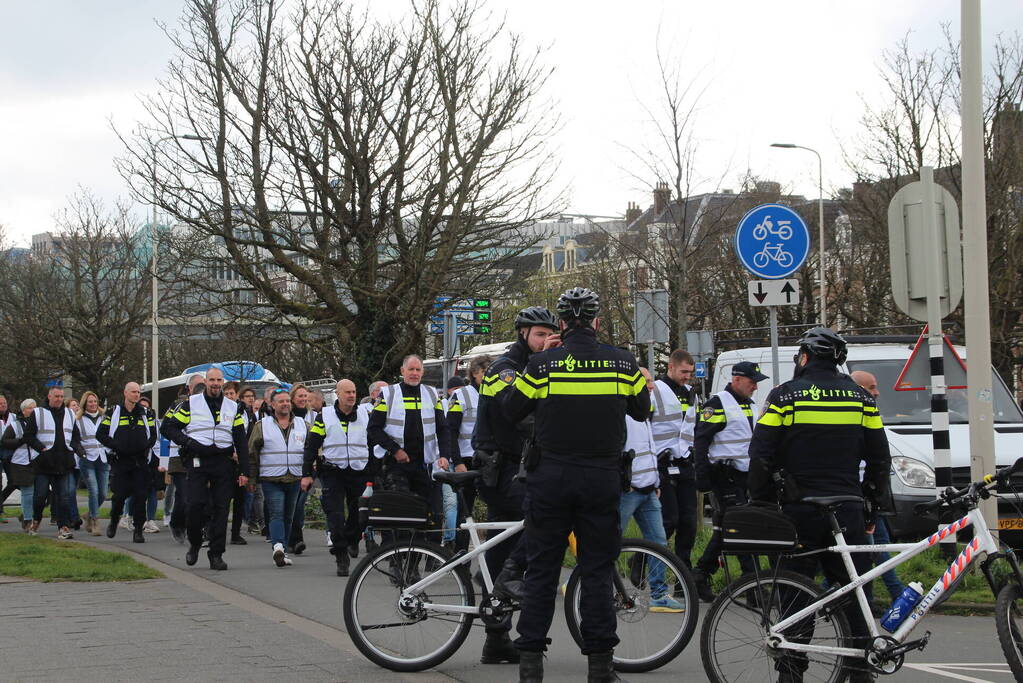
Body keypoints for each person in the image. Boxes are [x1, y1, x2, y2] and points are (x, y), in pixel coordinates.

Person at [504, 286, 650, 682]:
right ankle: (600, 667)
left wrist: (538, 360)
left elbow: (511, 408)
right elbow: (642, 409)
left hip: (550, 478)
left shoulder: (544, 365)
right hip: (601, 479)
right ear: (598, 322)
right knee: (597, 572)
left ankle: (531, 666)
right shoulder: (623, 364)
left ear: (563, 324)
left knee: (541, 571)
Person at [749, 327, 892, 683]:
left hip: (798, 509)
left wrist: (762, 502)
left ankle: (792, 673)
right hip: (847, 507)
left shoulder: (784, 397)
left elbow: (761, 454)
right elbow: (879, 457)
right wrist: (874, 505)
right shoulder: (861, 398)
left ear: (805, 357)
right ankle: (861, 671)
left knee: (796, 593)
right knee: (854, 592)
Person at [471, 307, 559, 666]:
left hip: (512, 470)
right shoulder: (504, 369)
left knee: (500, 554)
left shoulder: (533, 367)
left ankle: (496, 638)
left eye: (549, 334)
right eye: (539, 334)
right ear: (523, 334)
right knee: (546, 514)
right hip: (501, 471)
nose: (544, 340)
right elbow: (521, 416)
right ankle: (506, 584)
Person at [691, 361, 767, 602]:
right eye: (751, 381)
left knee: (728, 530)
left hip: (744, 477)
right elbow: (701, 441)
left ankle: (700, 575)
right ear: (736, 380)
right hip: (725, 477)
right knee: (741, 528)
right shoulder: (718, 403)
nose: (755, 386)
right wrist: (703, 479)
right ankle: (752, 586)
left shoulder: (749, 404)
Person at [161, 367, 249, 571]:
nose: (216, 383)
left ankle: (216, 554)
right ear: (206, 382)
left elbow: (240, 440)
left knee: (221, 508)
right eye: (212, 380)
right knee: (195, 505)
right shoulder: (190, 404)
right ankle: (194, 543)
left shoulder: (233, 407)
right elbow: (168, 428)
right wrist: (188, 443)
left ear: (223, 382)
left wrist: (245, 471)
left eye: (219, 380)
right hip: (198, 460)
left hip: (223, 461)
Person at [367, 355, 452, 567]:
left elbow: (443, 428)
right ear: (402, 371)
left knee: (423, 517)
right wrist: (395, 450)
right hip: (397, 466)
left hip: (424, 465)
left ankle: (412, 566)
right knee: (401, 516)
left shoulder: (432, 394)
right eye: (411, 369)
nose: (414, 373)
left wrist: (444, 454)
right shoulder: (389, 394)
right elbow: (373, 429)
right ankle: (397, 562)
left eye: (418, 370)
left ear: (422, 372)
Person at [620, 368, 686, 612]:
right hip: (627, 491)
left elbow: (649, 451)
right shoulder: (623, 414)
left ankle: (658, 594)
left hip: (648, 490)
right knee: (607, 541)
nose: (651, 386)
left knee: (658, 542)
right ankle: (588, 584)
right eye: (646, 381)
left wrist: (655, 481)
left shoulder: (644, 412)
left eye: (651, 381)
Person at [303, 379, 379, 576]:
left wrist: (374, 470)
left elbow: (373, 442)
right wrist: (306, 474)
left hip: (359, 471)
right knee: (335, 515)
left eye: (353, 392)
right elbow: (312, 445)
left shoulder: (365, 414)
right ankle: (341, 556)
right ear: (338, 394)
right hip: (333, 471)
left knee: (361, 515)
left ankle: (353, 539)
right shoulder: (325, 416)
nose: (351, 395)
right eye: (347, 392)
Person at [850, 369, 907, 604]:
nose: (877, 392)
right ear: (859, 389)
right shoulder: (854, 415)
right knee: (872, 553)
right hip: (861, 496)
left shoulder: (869, 412)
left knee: (877, 551)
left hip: (873, 496)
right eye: (872, 387)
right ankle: (895, 596)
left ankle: (891, 596)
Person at [651, 349, 699, 569]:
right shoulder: (655, 391)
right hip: (661, 463)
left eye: (690, 372)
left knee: (689, 523)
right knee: (669, 520)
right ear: (670, 367)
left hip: (685, 463)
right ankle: (642, 561)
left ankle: (684, 577)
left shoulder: (691, 393)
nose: (687, 376)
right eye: (683, 371)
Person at [249, 387, 306, 567]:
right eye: (281, 401)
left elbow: (311, 449)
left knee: (289, 516)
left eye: (287, 401)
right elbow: (252, 453)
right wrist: (251, 478)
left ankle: (283, 550)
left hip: (295, 477)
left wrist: (310, 473)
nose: (285, 404)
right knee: (276, 513)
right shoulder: (262, 426)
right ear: (272, 405)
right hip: (271, 479)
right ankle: (278, 546)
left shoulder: (303, 425)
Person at [97, 382, 158, 543]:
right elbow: (101, 434)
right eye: (133, 392)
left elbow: (153, 435)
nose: (136, 395)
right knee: (119, 496)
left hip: (140, 462)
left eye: (138, 392)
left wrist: (145, 447)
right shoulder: (114, 412)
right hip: (121, 461)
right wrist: (116, 446)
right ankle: (114, 521)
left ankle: (138, 530)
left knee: (140, 496)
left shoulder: (146, 413)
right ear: (125, 393)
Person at [24, 386, 83, 540]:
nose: (59, 399)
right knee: (40, 496)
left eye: (61, 396)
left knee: (63, 497)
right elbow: (28, 436)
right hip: (44, 462)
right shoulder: (38, 413)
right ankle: (36, 519)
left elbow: (75, 436)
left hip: (63, 462)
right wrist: (41, 448)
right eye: (56, 396)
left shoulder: (70, 413)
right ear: (49, 396)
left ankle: (63, 527)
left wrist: (76, 448)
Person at [164, 377, 204, 543]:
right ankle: (177, 523)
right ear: (189, 389)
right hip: (178, 456)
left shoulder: (208, 407)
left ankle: (194, 527)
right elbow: (165, 428)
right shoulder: (177, 406)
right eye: (196, 387)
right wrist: (184, 441)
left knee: (197, 496)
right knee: (183, 495)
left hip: (199, 457)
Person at [288, 383, 317, 554]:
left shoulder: (314, 416)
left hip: (308, 466)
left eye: (305, 396)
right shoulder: (286, 415)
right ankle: (294, 538)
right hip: (291, 466)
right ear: (292, 398)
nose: (303, 399)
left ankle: (296, 539)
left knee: (299, 503)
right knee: (292, 504)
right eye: (300, 396)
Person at [2, 399, 38, 532]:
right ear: (23, 411)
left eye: (35, 408)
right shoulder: (15, 425)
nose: (33, 410)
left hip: (38, 461)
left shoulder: (41, 424)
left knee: (41, 493)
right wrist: (21, 441)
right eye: (30, 408)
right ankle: (28, 520)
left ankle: (26, 515)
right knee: (28, 492)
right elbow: (5, 441)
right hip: (20, 462)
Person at [76, 391, 109, 536]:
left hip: (102, 458)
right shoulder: (78, 419)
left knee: (103, 493)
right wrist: (81, 451)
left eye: (95, 401)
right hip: (87, 459)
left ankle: (88, 514)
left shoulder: (104, 417)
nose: (93, 404)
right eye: (90, 402)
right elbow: (75, 439)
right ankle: (95, 520)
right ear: (85, 403)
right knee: (93, 491)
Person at [223, 381, 249, 545]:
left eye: (231, 394)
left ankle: (236, 533)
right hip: (226, 460)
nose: (229, 397)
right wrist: (230, 452)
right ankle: (215, 531)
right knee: (223, 499)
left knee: (240, 499)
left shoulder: (245, 413)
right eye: (226, 394)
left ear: (237, 395)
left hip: (242, 460)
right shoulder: (221, 411)